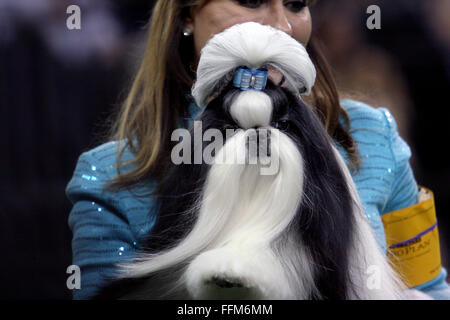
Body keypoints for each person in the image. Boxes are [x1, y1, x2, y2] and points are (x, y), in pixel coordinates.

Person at [66, 0, 450, 299]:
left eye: (297, 4)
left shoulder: (374, 135)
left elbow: (426, 289)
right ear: (185, 15)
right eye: (250, 0)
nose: (281, 25)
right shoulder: (110, 178)